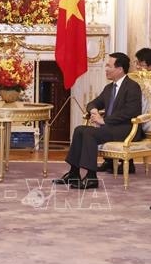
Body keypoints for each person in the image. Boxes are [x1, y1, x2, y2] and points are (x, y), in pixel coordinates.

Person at [53, 52, 142, 190]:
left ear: (120, 69)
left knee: (89, 133)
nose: (106, 68)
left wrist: (104, 120)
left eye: (109, 66)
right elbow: (93, 103)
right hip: (111, 128)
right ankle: (74, 173)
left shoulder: (132, 87)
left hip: (127, 129)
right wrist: (93, 110)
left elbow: (131, 112)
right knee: (79, 130)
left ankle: (91, 177)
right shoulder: (109, 88)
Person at [108, 47, 151, 175]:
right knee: (115, 118)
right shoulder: (133, 79)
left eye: (140, 64)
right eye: (136, 63)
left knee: (125, 123)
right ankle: (111, 160)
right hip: (138, 117)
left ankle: (126, 162)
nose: (136, 67)